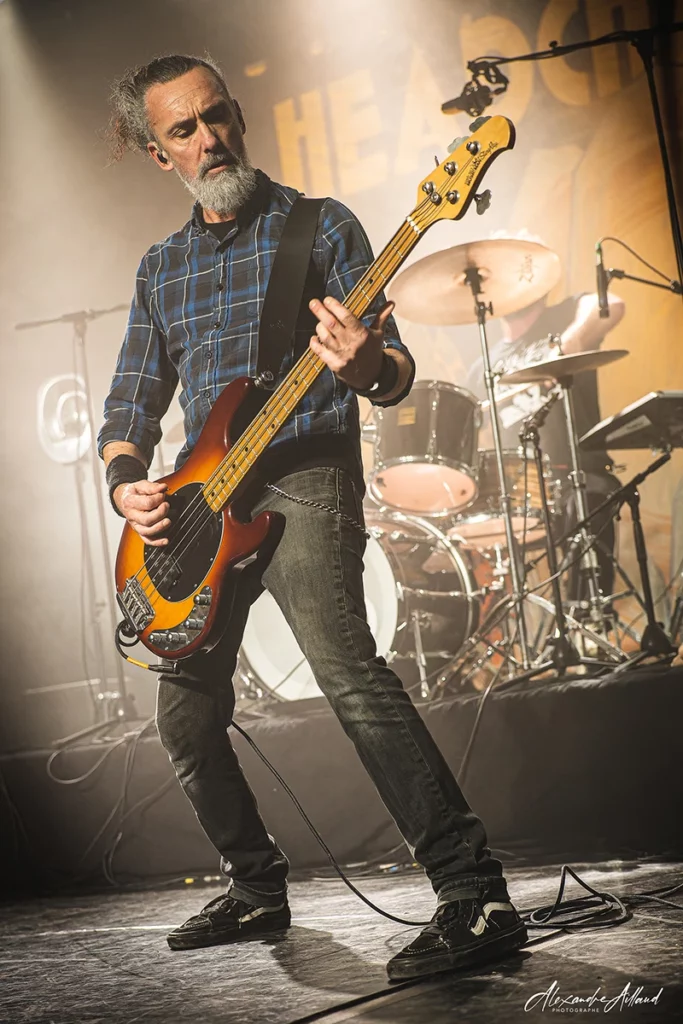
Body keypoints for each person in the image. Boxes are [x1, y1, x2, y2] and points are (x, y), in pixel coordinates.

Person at [98, 53, 527, 980]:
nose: (209, 138)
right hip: (203, 506)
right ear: (157, 152)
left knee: (347, 671)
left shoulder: (319, 225)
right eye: (183, 129)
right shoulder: (160, 268)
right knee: (184, 717)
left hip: (304, 474)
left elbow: (395, 369)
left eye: (217, 115)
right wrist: (126, 479)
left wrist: (366, 364)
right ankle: (254, 885)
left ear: (239, 115)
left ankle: (473, 891)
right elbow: (131, 400)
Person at [467, 254, 625, 603]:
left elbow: (612, 303)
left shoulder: (566, 314)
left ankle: (588, 625)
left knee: (586, 508)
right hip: (521, 494)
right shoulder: (482, 366)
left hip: (579, 476)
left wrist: (569, 344)